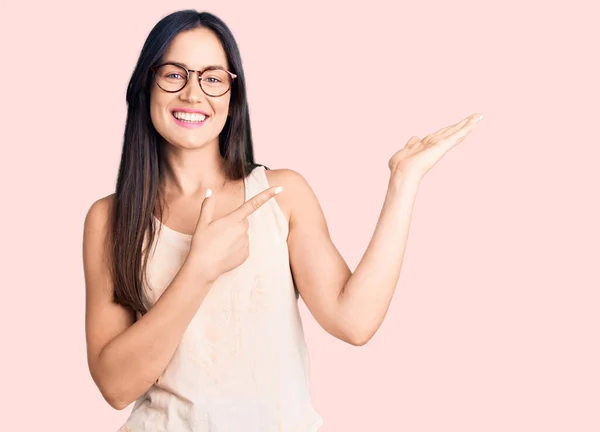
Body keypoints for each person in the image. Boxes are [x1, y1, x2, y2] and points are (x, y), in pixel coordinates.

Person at [82, 9, 483, 432]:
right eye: (174, 74)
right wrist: (199, 269)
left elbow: (354, 322)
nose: (193, 94)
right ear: (146, 84)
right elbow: (115, 387)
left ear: (232, 98)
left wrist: (404, 182)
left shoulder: (281, 195)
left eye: (213, 78)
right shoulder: (109, 219)